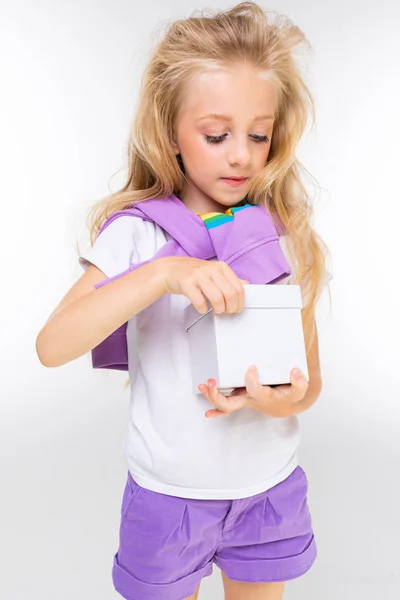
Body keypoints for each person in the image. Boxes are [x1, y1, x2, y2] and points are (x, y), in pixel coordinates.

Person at [36, 2, 333, 599]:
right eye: (217, 135)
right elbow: (52, 345)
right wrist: (163, 274)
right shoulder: (139, 235)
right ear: (170, 130)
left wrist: (274, 401)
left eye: (259, 134)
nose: (242, 155)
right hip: (170, 496)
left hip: (268, 489)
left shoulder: (280, 232)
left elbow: (311, 384)